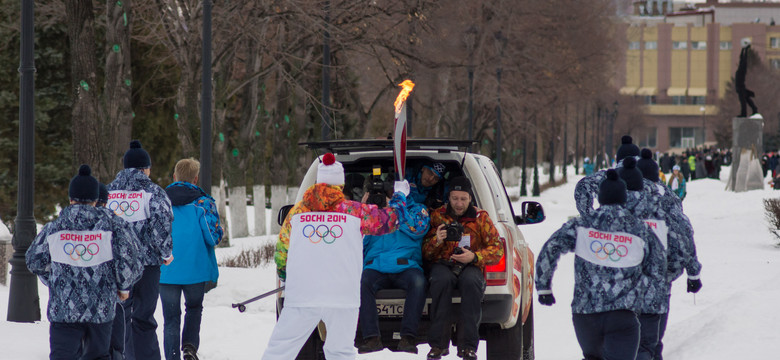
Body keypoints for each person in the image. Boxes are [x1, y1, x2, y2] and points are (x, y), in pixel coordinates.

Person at [263, 153, 412, 360]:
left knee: (280, 350)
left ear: (317, 182)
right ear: (340, 185)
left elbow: (282, 253)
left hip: (303, 294)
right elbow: (390, 221)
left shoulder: (296, 213)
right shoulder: (353, 211)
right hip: (342, 295)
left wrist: (287, 278)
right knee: (340, 352)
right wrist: (400, 197)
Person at [536, 169, 666, 360]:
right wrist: (644, 297)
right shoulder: (640, 229)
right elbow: (658, 267)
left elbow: (551, 247)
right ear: (624, 198)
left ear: (601, 197)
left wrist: (543, 287)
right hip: (623, 316)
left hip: (585, 315)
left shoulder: (582, 225)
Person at [26, 165, 141, 360]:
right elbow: (131, 258)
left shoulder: (54, 228)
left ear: (70, 199)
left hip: (64, 308)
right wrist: (123, 286)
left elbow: (34, 260)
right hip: (101, 308)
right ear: (96, 200)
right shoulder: (113, 227)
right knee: (98, 356)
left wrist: (53, 278)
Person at [422, 176, 503, 360]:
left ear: (470, 199)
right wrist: (437, 240)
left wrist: (474, 256)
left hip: (470, 265)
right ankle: (438, 345)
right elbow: (424, 252)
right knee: (441, 281)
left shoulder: (480, 218)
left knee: (472, 283)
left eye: (463, 199)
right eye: (455, 198)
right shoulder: (437, 216)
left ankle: (468, 347)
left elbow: (497, 248)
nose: (459, 203)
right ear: (448, 197)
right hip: (443, 264)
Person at [108, 140, 174, 360]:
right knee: (144, 317)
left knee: (120, 316)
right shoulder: (153, 192)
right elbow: (161, 227)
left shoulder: (107, 193)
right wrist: (166, 254)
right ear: (145, 168)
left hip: (115, 266)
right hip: (147, 266)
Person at [635, 149, 703, 360]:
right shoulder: (668, 199)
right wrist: (693, 273)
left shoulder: (626, 199)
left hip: (626, 279)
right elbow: (684, 236)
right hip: (661, 279)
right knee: (651, 340)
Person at [160, 158, 224, 360]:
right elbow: (213, 237)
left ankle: (171, 356)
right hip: (196, 270)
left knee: (170, 318)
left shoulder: (160, 202)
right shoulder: (203, 203)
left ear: (174, 177)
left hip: (166, 270)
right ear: (195, 179)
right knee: (194, 308)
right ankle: (189, 348)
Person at [357, 177, 430, 354]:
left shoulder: (418, 210)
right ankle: (371, 337)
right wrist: (362, 211)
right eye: (386, 193)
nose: (388, 196)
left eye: (394, 192)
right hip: (376, 266)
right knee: (362, 282)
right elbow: (355, 240)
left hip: (406, 266)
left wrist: (396, 208)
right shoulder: (373, 213)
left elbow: (417, 229)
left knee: (418, 282)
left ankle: (408, 337)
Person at [575, 135, 640, 218]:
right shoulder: (649, 180)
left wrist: (589, 216)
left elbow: (583, 185)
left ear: (619, 159)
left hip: (607, 224)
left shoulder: (607, 177)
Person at [736, 44, 759, 118]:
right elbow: (741, 59)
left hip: (741, 87)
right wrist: (743, 49)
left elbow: (744, 60)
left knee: (743, 101)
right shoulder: (740, 68)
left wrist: (746, 50)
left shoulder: (742, 69)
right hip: (740, 88)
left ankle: (744, 113)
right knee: (747, 99)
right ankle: (754, 109)